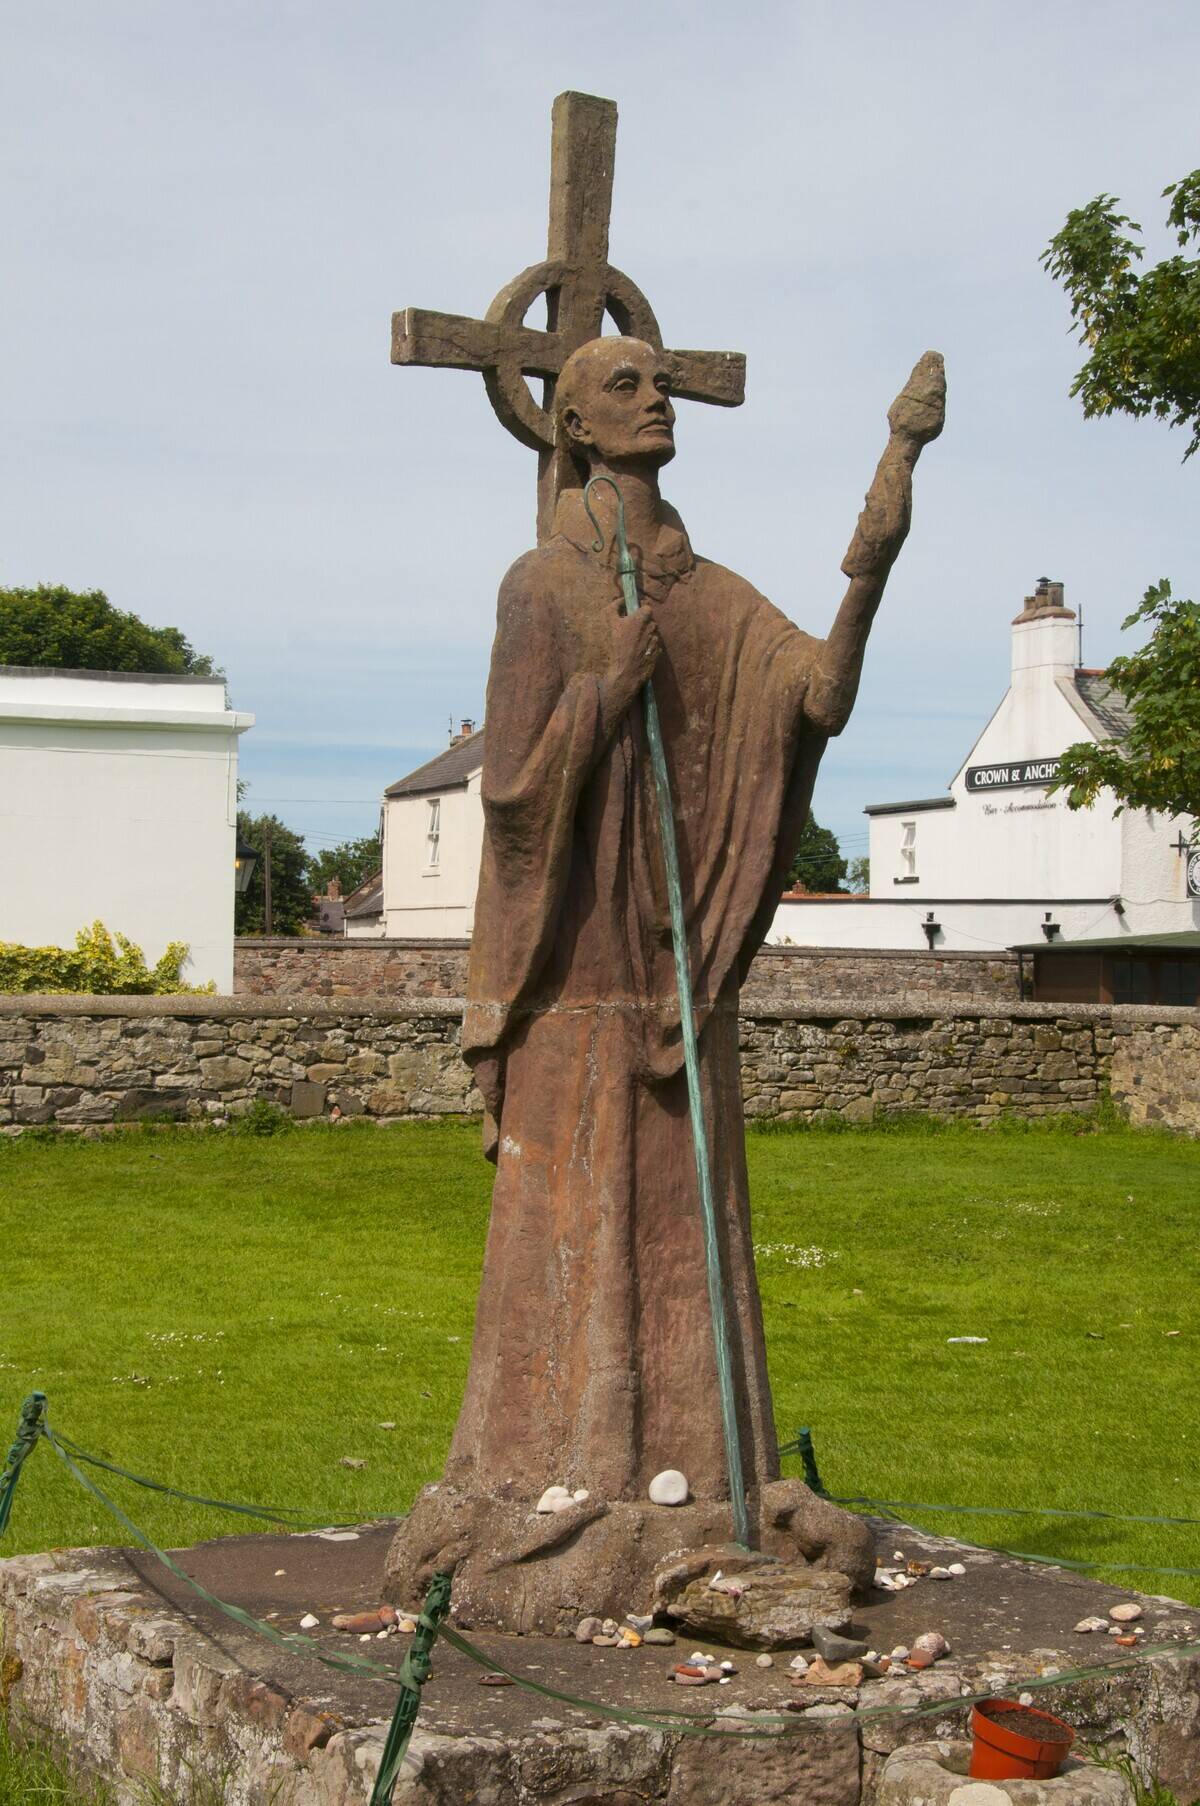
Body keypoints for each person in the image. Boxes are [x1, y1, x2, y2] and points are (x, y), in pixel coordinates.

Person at [386, 335, 944, 1632]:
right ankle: (546, 1472)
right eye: (622, 386)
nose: (654, 400)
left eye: (660, 381)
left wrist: (884, 519)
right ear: (570, 419)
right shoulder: (540, 588)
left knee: (687, 1242)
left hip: (677, 987)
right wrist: (602, 688)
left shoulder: (710, 591)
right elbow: (513, 795)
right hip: (575, 983)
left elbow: (817, 691)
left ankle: (707, 1488)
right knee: (573, 1229)